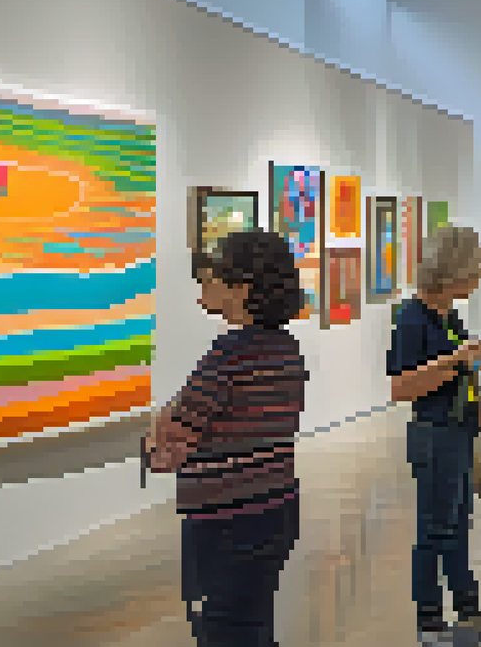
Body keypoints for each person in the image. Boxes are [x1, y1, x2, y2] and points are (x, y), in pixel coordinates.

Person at [144, 229, 308, 647]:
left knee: (222, 629)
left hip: (225, 518)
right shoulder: (287, 350)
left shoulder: (227, 356)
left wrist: (157, 431)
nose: (204, 284)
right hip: (276, 506)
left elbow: (168, 449)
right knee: (251, 623)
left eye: (212, 275)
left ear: (241, 288)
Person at [388, 226, 481, 642]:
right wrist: (457, 359)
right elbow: (400, 386)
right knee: (434, 530)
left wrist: (475, 357)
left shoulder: (448, 316)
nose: (479, 278)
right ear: (453, 272)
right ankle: (430, 623)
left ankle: (468, 612)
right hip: (434, 433)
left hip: (457, 430)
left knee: (457, 526)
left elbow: (455, 370)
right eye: (474, 271)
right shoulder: (412, 318)